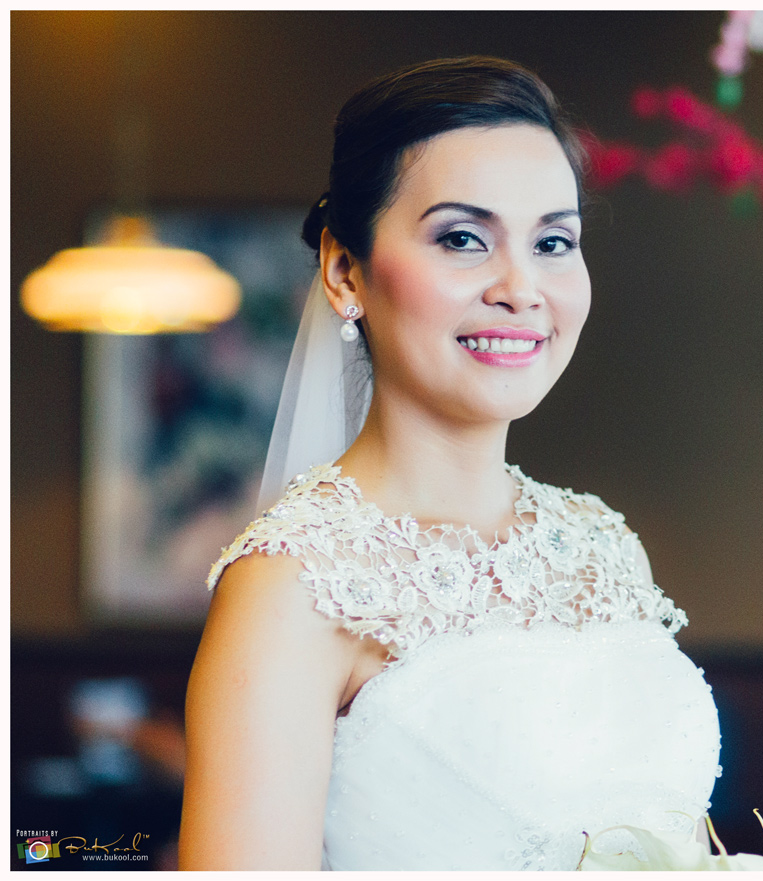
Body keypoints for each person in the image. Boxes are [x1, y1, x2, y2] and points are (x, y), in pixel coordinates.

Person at [178, 57, 721, 870]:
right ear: (345, 271)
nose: (521, 288)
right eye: (463, 238)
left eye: (553, 242)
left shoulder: (602, 546)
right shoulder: (293, 584)